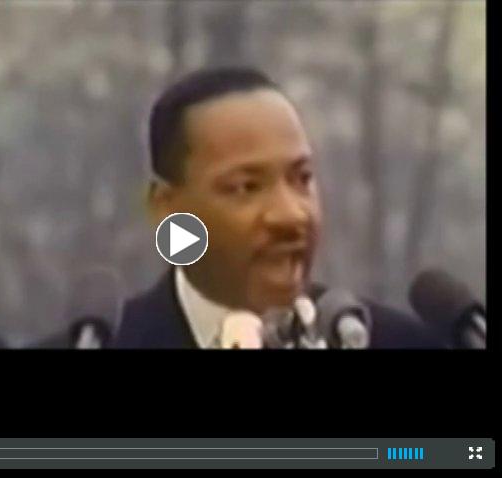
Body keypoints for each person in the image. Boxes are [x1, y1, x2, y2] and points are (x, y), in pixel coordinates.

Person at [113, 67, 442, 349]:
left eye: (302, 178)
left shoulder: (397, 342)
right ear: (168, 208)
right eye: (246, 187)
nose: (290, 215)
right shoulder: (109, 342)